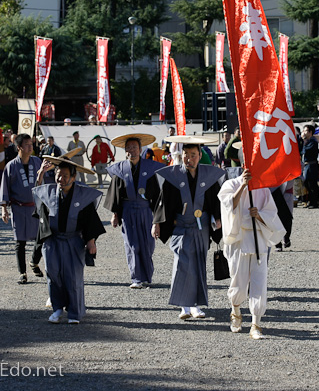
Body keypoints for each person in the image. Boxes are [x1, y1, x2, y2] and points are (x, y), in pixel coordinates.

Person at [151, 137, 225, 320]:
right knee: (183, 264)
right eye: (186, 155)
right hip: (181, 227)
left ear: (200, 156)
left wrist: (218, 218)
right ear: (181, 156)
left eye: (193, 155)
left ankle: (196, 306)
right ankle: (184, 306)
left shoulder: (208, 176)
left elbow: (216, 200)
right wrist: (157, 223)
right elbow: (162, 201)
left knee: (199, 265)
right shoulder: (173, 176)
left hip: (201, 228)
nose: (189, 158)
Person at [32, 157, 104, 324]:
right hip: (53, 240)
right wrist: (41, 173)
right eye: (58, 175)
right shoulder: (49, 192)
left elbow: (90, 220)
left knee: (73, 276)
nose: (60, 179)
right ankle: (57, 308)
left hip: (74, 240)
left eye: (65, 176)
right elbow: (38, 202)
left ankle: (74, 313)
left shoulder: (82, 195)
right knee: (53, 273)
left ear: (73, 177)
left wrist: (91, 241)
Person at [219, 167, 285, 340]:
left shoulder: (262, 188)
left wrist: (260, 215)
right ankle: (236, 313)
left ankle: (256, 324)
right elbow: (228, 206)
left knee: (259, 282)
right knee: (238, 282)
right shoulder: (230, 184)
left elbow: (272, 212)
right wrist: (242, 186)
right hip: (239, 240)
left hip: (259, 240)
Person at [104, 133, 164, 288]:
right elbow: (115, 193)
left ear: (140, 149)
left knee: (147, 244)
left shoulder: (149, 168)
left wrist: (157, 220)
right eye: (129, 147)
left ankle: (146, 276)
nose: (132, 150)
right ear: (125, 150)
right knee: (132, 244)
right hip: (128, 211)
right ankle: (136, 278)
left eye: (135, 147)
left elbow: (157, 196)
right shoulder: (120, 169)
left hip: (145, 211)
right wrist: (115, 214)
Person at [0, 134, 44, 284]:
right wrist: (4, 208)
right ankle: (22, 273)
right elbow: (5, 187)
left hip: (35, 207)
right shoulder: (11, 166)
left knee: (41, 237)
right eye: (27, 144)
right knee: (20, 241)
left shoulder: (37, 162)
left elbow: (45, 182)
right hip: (18, 208)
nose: (30, 147)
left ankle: (34, 261)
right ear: (19, 147)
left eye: (31, 144)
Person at [300, 125, 319, 208]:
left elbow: (306, 151)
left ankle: (314, 202)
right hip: (307, 165)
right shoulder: (307, 141)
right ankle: (310, 201)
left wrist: (304, 142)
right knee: (307, 183)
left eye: (306, 131)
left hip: (312, 165)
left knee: (312, 184)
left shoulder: (313, 142)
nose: (304, 133)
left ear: (310, 132)